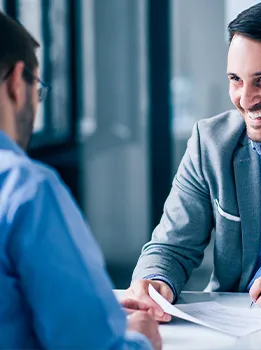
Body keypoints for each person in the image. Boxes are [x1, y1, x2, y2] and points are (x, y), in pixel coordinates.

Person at [124, 0, 261, 317]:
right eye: (236, 79)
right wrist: (155, 281)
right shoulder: (210, 142)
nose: (245, 100)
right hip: (230, 329)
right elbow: (171, 247)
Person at [0, 11, 161, 350]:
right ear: (17, 81)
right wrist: (140, 339)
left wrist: (91, 307)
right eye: (38, 90)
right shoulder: (26, 188)